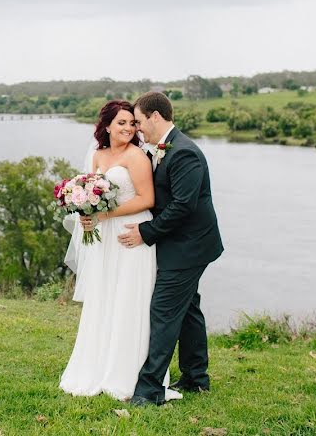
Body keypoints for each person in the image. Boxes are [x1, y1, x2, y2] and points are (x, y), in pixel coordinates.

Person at [59, 100, 181, 401]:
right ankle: (97, 365)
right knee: (105, 298)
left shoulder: (136, 156)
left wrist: (106, 215)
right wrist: (87, 214)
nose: (128, 128)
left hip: (131, 233)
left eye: (132, 123)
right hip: (105, 235)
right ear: (108, 126)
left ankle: (126, 374)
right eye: (122, 123)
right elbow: (92, 194)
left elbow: (147, 199)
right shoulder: (98, 155)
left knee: (129, 299)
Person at [119, 91, 224, 406]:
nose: (137, 128)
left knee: (163, 311)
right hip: (184, 243)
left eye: (138, 122)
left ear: (154, 116)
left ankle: (149, 390)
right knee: (188, 310)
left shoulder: (184, 153)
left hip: (190, 247)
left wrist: (145, 232)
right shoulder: (162, 148)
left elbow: (182, 207)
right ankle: (196, 378)